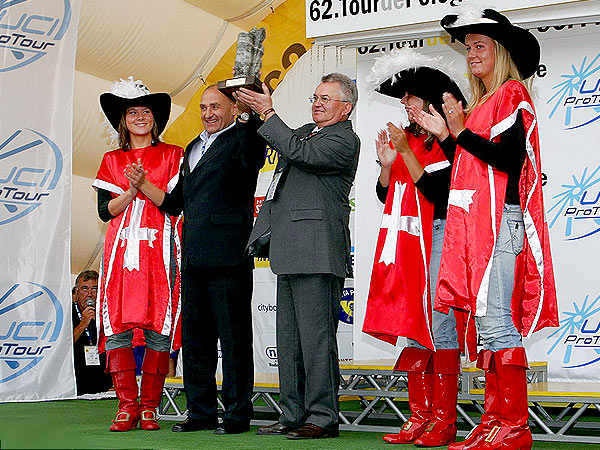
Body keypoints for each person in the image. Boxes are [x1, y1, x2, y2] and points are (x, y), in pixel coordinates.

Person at [428, 7, 558, 450]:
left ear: (500, 51)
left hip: (500, 224)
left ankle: (514, 426)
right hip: (480, 226)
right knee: (489, 326)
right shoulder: (486, 102)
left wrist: (459, 132)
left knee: (499, 325)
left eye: (479, 46)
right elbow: (474, 165)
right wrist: (450, 135)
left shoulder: (511, 93)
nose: (471, 55)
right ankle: (495, 420)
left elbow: (510, 162)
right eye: (468, 49)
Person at [128, 85, 266, 435]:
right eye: (203, 107)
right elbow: (176, 202)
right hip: (193, 259)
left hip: (229, 257)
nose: (208, 113)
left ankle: (237, 415)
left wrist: (253, 110)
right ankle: (200, 411)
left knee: (234, 341)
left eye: (216, 106)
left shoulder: (244, 138)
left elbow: (253, 144)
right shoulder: (192, 146)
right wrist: (142, 185)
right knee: (196, 341)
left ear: (234, 108)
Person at [237, 73, 360, 440]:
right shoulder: (306, 129)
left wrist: (269, 112)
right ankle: (292, 413)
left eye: (326, 98)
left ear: (346, 107)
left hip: (318, 251)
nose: (317, 103)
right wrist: (253, 114)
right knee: (289, 340)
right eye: (315, 96)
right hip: (290, 249)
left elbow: (300, 153)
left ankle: (322, 416)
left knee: (317, 339)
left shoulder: (344, 139)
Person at [362, 48, 468, 447]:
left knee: (438, 325)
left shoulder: (445, 139)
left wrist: (406, 154)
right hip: (406, 244)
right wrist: (388, 164)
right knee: (412, 324)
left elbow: (442, 193)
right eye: (402, 98)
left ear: (428, 97)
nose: (404, 104)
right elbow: (383, 192)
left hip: (437, 235)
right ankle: (420, 416)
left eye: (408, 96)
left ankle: (443, 420)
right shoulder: (406, 138)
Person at [93, 77, 184, 432]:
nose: (140, 117)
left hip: (159, 253)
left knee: (159, 324)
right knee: (118, 326)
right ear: (123, 121)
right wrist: (131, 189)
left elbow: (174, 205)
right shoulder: (111, 160)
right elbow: (105, 211)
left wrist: (144, 183)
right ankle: (126, 406)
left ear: (155, 119)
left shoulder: (173, 154)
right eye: (133, 112)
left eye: (146, 111)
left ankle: (150, 407)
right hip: (121, 254)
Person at [72, 270, 112, 395]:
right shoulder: (66, 312)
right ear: (77, 292)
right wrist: (83, 323)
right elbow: (62, 347)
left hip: (104, 383)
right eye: (85, 288)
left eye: (94, 289)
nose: (89, 294)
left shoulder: (106, 313)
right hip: (76, 382)